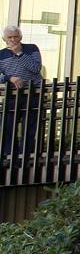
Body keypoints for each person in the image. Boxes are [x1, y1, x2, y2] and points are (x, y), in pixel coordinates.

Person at [1, 26, 42, 158]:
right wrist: (9, 78)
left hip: (33, 94)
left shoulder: (31, 49)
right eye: (10, 37)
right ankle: (10, 157)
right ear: (4, 39)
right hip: (12, 95)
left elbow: (36, 68)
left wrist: (19, 53)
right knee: (8, 128)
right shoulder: (1, 55)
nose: (13, 40)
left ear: (20, 37)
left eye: (16, 37)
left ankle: (25, 157)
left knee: (29, 128)